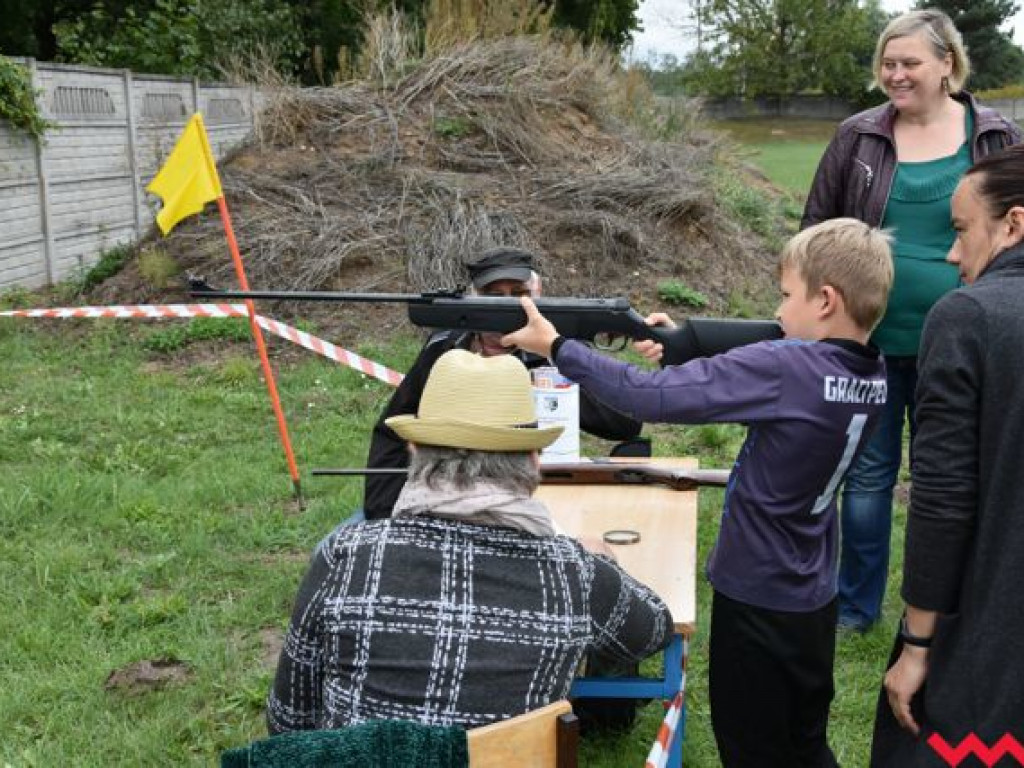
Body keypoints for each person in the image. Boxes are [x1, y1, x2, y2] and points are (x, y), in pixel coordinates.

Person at [505, 218, 894, 767]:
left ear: (826, 300)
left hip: (756, 593)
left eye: (785, 296)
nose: (778, 312)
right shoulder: (872, 372)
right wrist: (684, 344)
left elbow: (649, 398)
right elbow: (780, 365)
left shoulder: (786, 368)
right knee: (802, 742)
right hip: (812, 592)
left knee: (750, 746)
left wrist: (559, 347)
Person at [267, 349, 673, 733]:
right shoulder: (576, 572)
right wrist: (604, 562)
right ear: (534, 460)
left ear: (412, 451)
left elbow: (287, 722)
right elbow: (653, 631)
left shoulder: (346, 554)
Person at [802, 9, 1022, 633]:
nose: (895, 75)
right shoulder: (858, 137)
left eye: (910, 63)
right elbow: (817, 227)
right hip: (869, 338)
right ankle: (855, 609)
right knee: (868, 477)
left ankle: (945, 608)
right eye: (887, 64)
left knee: (946, 476)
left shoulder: (997, 136)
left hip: (968, 342)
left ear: (948, 63)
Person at [870, 145, 1024, 765]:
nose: (953, 254)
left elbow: (941, 501)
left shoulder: (970, 317)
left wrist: (916, 646)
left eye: (961, 231)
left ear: (1014, 224)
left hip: (995, 647)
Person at [362, 246, 642, 521]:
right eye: (493, 296)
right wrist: (382, 518)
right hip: (449, 497)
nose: (508, 306)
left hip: (538, 498)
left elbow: (625, 423)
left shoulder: (562, 350)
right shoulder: (446, 348)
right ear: (472, 299)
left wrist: (554, 361)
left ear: (538, 294)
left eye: (520, 295)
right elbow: (392, 429)